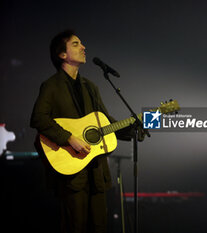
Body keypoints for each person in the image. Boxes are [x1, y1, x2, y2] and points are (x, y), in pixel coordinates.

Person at [30, 30, 142, 233]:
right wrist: (69, 138)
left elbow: (106, 124)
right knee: (75, 227)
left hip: (97, 172)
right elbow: (39, 118)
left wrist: (134, 129)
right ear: (62, 54)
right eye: (75, 44)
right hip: (71, 175)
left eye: (81, 44)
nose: (83, 47)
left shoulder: (91, 87)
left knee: (99, 227)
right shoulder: (51, 86)